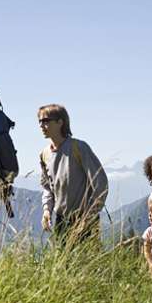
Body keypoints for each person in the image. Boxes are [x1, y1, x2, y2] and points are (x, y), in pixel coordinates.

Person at [38, 104, 109, 247]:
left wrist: (89, 216)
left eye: (46, 121)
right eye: (39, 121)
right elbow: (47, 187)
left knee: (88, 262)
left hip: (84, 218)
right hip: (60, 220)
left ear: (60, 122)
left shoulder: (79, 148)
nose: (41, 125)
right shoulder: (44, 154)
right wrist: (46, 210)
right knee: (65, 265)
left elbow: (100, 183)